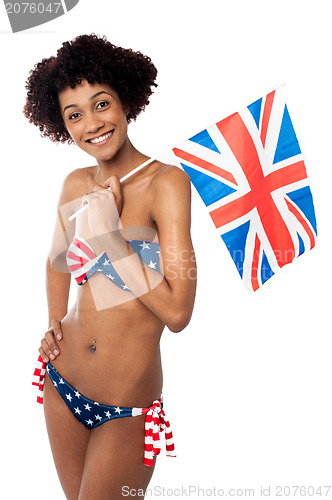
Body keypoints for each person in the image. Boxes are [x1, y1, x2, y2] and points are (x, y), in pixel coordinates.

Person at [24, 34, 197, 499]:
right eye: (74, 115)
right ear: (62, 125)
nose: (92, 124)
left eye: (101, 104)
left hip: (127, 409)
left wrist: (111, 239)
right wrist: (53, 324)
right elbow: (57, 263)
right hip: (63, 383)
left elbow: (178, 314)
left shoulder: (166, 183)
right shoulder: (75, 182)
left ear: (125, 100)